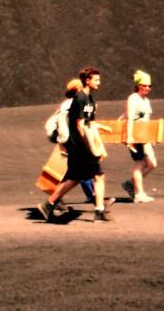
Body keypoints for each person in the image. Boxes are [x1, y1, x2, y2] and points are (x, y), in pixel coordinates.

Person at [39, 67, 112, 222]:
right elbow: (79, 125)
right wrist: (89, 145)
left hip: (83, 144)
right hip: (79, 145)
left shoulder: (91, 99)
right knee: (95, 175)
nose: (99, 82)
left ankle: (49, 204)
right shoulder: (80, 99)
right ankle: (98, 210)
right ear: (87, 80)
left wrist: (100, 130)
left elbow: (89, 123)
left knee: (78, 178)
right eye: (96, 80)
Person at [51, 79, 97, 211]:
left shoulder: (69, 103)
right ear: (78, 89)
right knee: (81, 169)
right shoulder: (74, 102)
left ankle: (54, 199)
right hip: (72, 139)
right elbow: (78, 123)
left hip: (68, 139)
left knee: (74, 171)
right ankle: (94, 197)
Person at [123, 70, 157, 203]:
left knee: (152, 164)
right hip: (135, 136)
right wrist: (129, 136)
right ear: (138, 85)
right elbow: (130, 117)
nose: (147, 88)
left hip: (145, 136)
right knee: (140, 163)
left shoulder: (146, 100)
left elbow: (146, 120)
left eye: (149, 86)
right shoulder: (133, 98)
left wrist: (151, 136)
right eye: (145, 85)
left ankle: (131, 184)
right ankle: (139, 194)